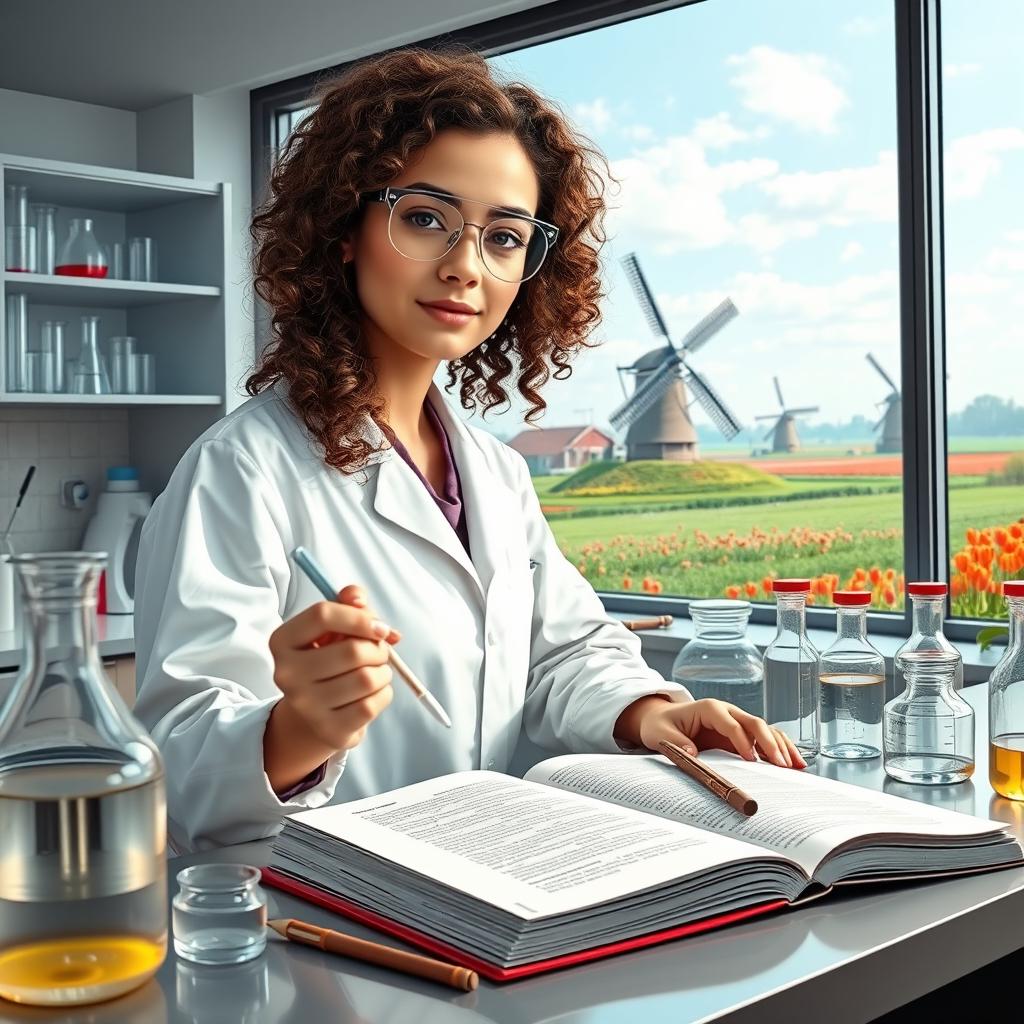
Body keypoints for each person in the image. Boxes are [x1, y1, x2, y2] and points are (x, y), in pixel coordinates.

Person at [133, 46, 804, 853]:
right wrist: (298, 731)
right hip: (324, 924)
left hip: (486, 889)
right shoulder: (242, 472)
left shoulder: (496, 471)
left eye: (504, 238)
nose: (463, 266)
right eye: (424, 218)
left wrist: (648, 711)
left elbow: (565, 649)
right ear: (345, 226)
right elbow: (179, 762)